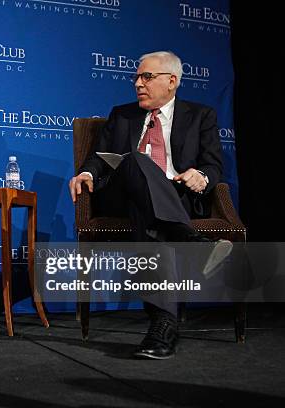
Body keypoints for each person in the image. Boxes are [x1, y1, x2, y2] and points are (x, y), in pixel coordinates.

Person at [69, 51, 231, 359]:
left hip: (177, 195)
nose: (138, 84)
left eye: (147, 77)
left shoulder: (200, 115)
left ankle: (162, 323)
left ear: (172, 81)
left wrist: (201, 175)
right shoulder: (122, 114)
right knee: (135, 161)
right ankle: (194, 242)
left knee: (150, 216)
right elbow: (99, 157)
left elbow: (213, 166)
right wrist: (87, 172)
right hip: (122, 192)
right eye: (136, 78)